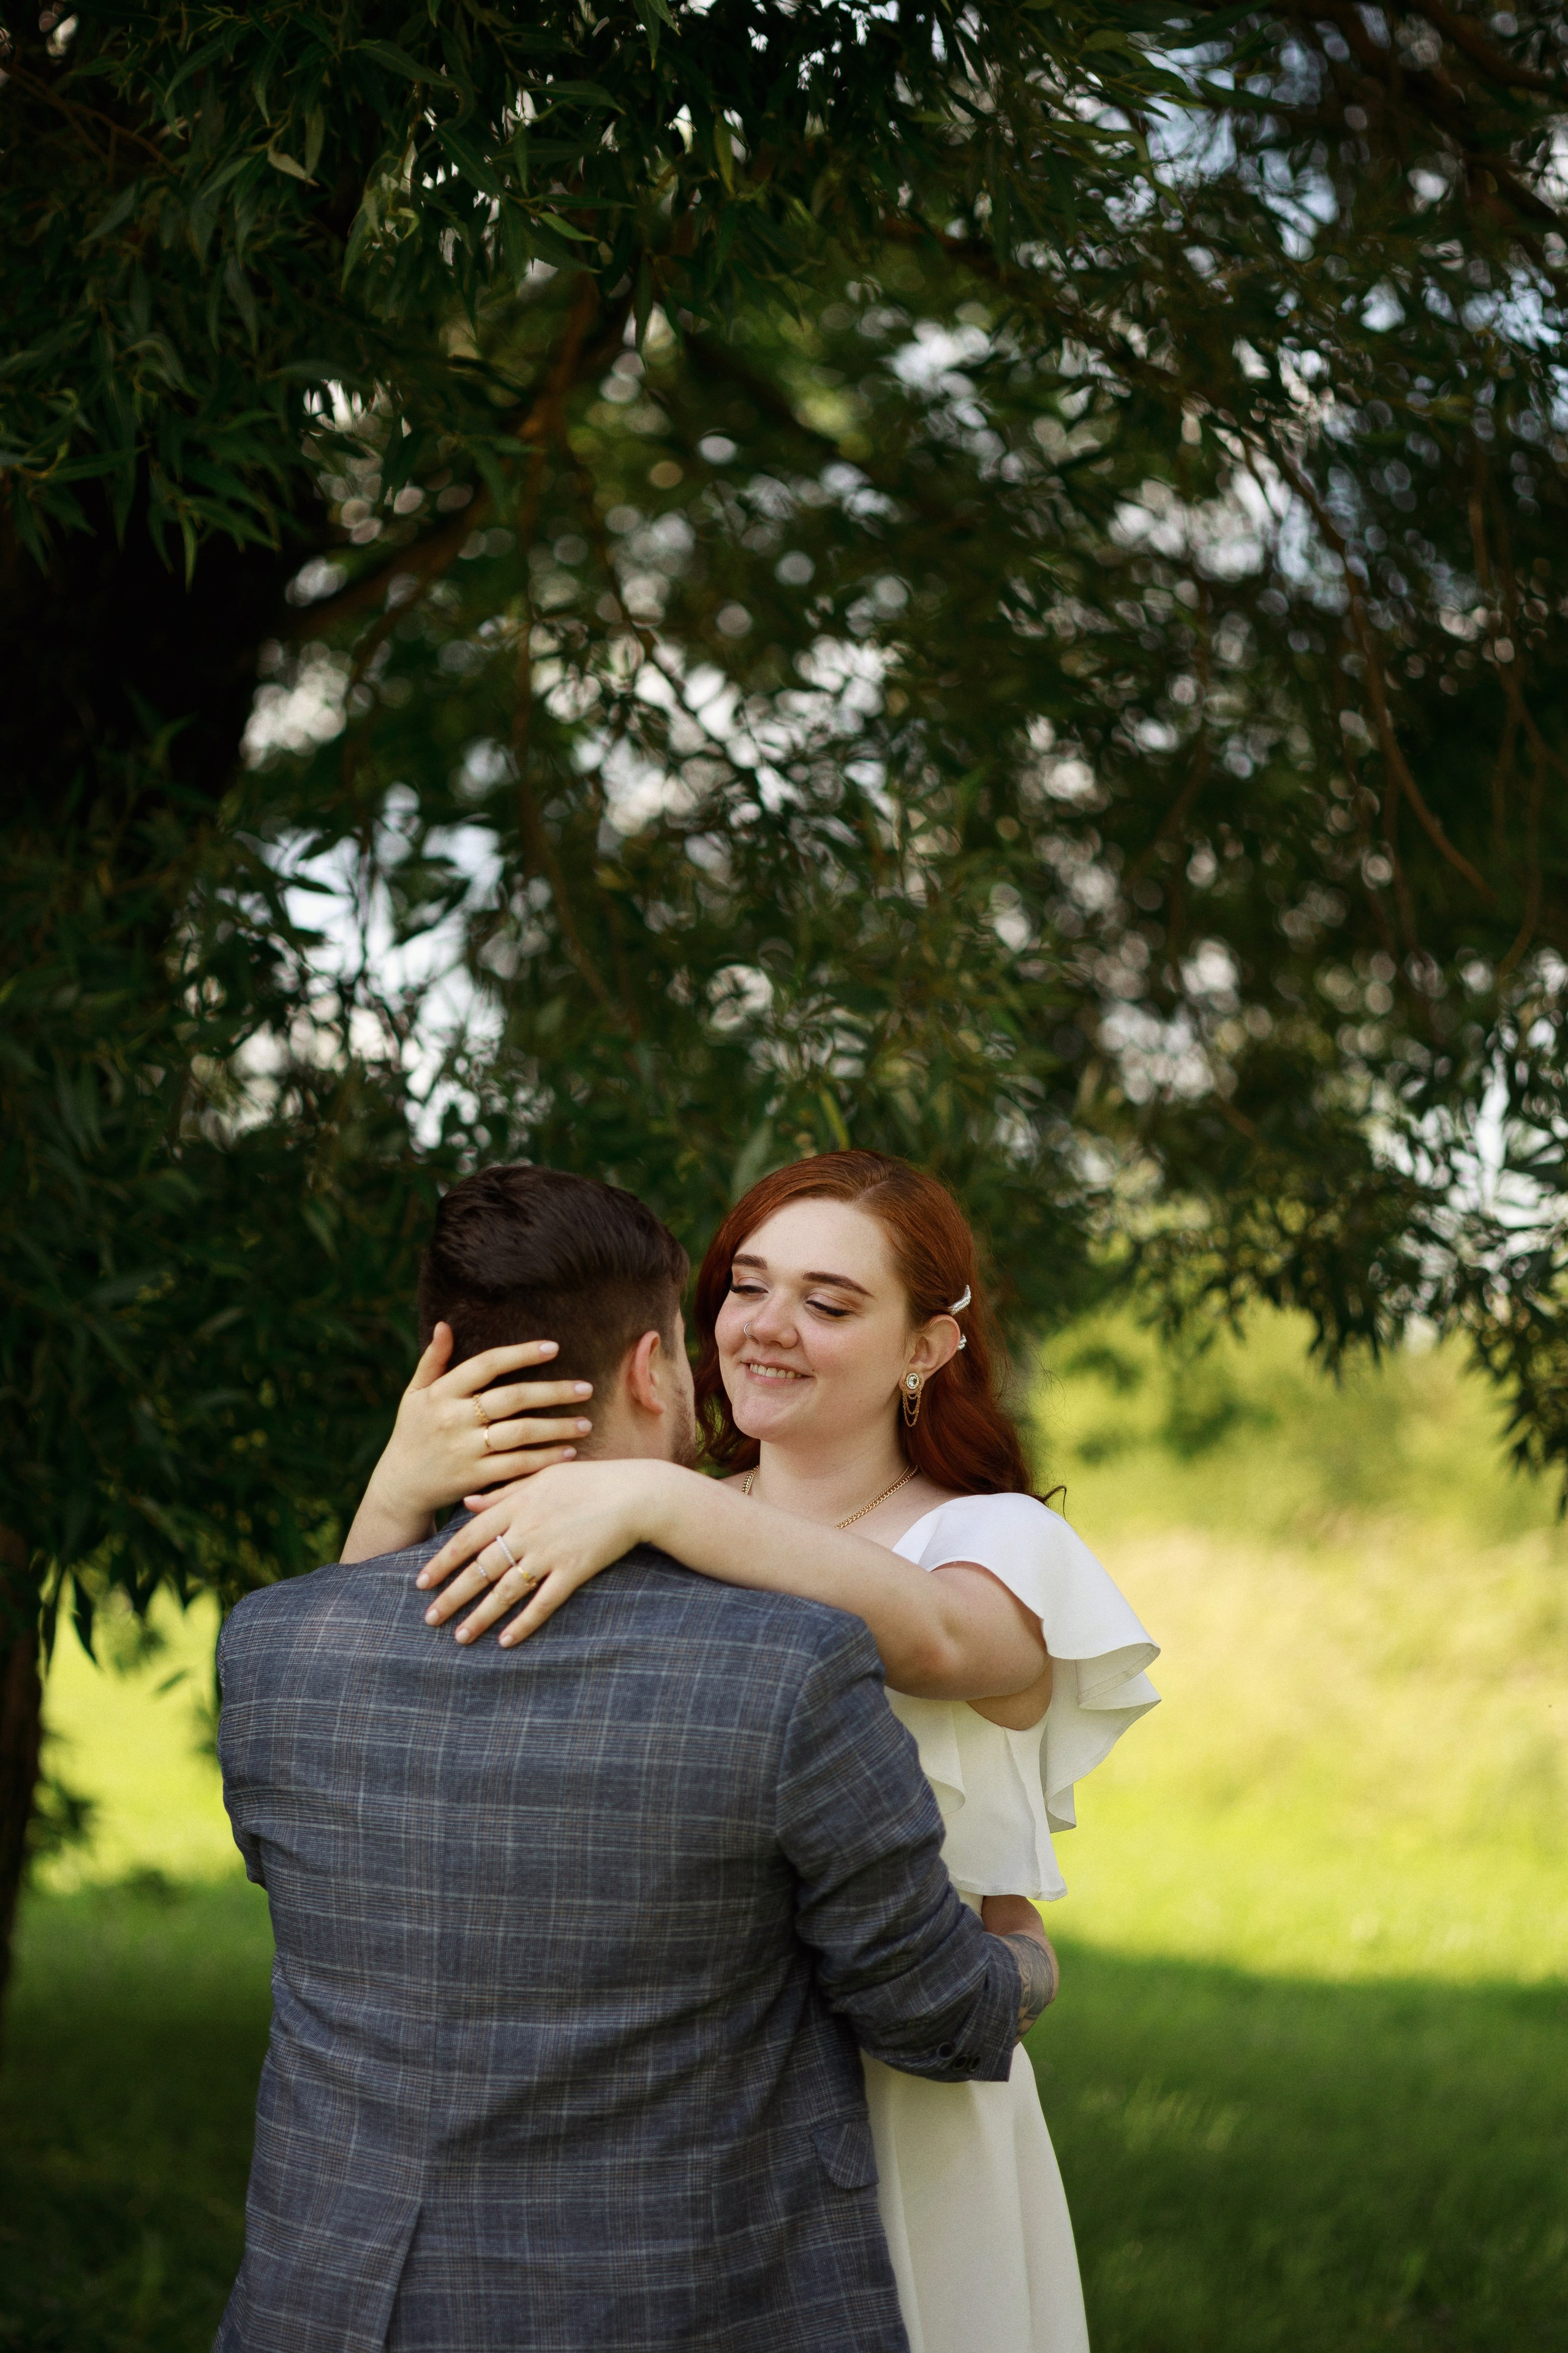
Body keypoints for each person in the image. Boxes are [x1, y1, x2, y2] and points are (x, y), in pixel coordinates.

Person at [214, 1164, 1053, 2353]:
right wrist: (1024, 1955)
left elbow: (361, 1724)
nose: (764, 1330)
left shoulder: (274, 1646)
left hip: (336, 2299)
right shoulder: (785, 1662)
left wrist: (429, 1495)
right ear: (654, 1367)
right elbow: (933, 2010)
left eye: (827, 1299)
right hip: (668, 2292)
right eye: (742, 1289)